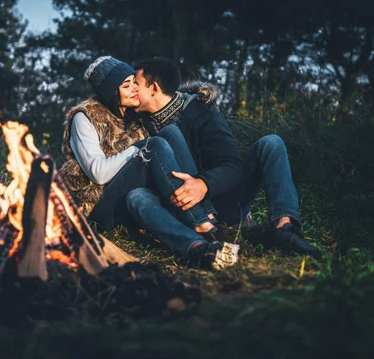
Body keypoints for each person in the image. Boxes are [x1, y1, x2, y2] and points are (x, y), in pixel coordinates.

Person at [128, 57, 322, 259]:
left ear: (154, 88)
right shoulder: (136, 124)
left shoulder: (199, 110)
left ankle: (285, 230)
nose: (132, 89)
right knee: (139, 196)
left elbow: (232, 166)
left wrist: (203, 184)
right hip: (181, 204)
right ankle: (203, 242)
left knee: (271, 143)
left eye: (136, 83)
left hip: (223, 198)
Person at [59, 56, 237, 269]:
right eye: (127, 85)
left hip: (126, 200)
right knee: (154, 144)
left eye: (135, 82)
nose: (135, 88)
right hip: (98, 207)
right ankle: (204, 223)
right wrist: (138, 147)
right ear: (111, 93)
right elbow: (98, 173)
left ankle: (196, 247)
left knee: (140, 194)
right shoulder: (84, 117)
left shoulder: (136, 118)